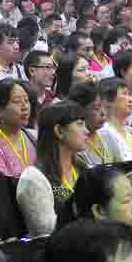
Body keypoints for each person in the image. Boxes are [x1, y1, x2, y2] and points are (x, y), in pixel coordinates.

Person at [16, 99, 89, 238]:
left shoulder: (83, 168)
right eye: (80, 124)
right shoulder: (33, 178)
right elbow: (46, 231)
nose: (86, 131)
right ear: (59, 131)